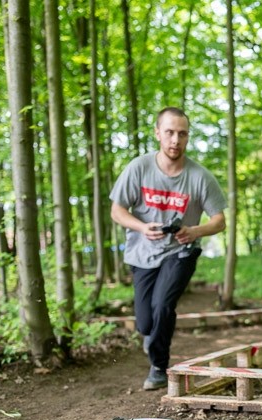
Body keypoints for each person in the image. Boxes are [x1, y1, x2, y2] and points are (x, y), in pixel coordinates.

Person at [110, 107, 227, 390]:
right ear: (158, 133)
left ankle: (158, 367)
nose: (176, 140)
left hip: (180, 251)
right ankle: (152, 337)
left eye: (182, 134)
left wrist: (194, 231)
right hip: (142, 252)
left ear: (188, 137)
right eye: (170, 132)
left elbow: (219, 221)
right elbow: (117, 210)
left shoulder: (200, 177)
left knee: (163, 305)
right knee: (145, 323)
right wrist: (142, 227)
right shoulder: (139, 168)